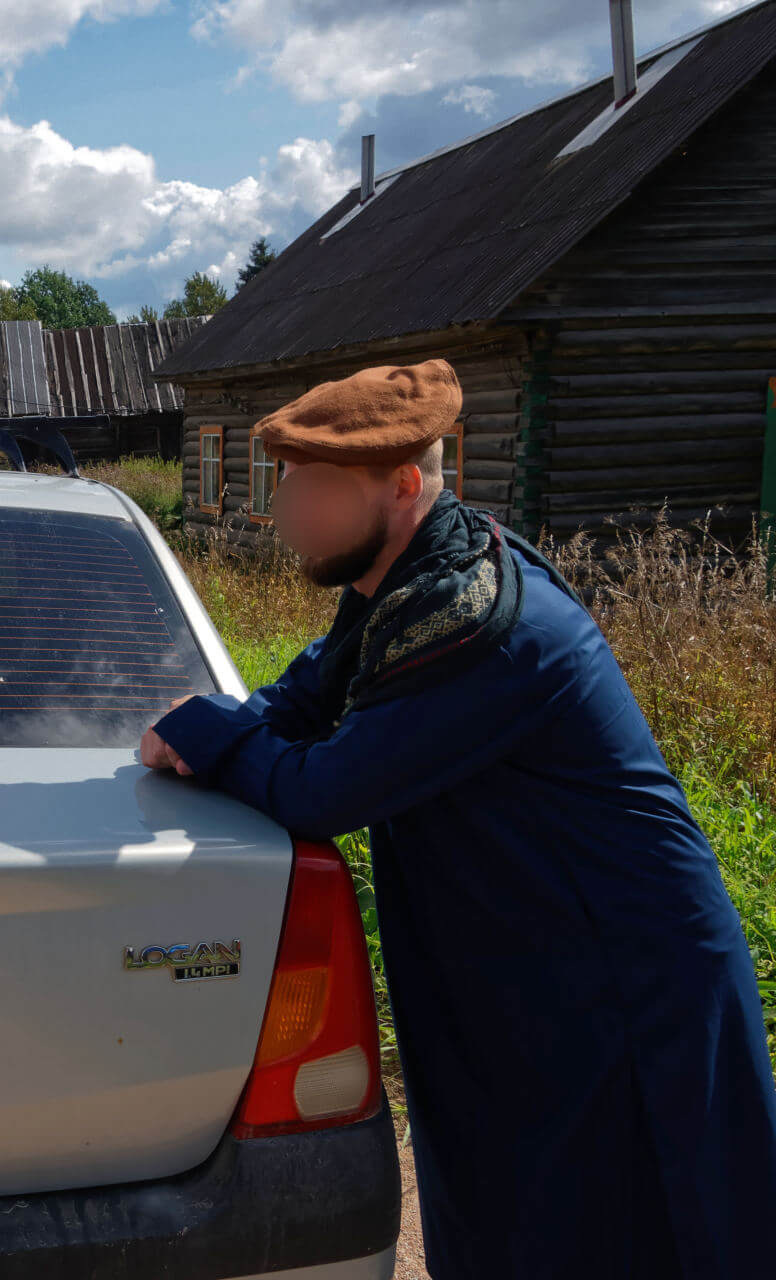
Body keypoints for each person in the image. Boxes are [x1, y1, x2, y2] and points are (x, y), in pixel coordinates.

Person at [140, 360, 776, 1278]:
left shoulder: (482, 622)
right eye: (284, 482)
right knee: (506, 1214)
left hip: (622, 982)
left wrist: (210, 734)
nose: (281, 512)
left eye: (313, 487)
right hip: (530, 965)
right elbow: (305, 696)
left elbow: (327, 790)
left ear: (404, 485)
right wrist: (222, 729)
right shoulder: (404, 586)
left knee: (627, 1234)